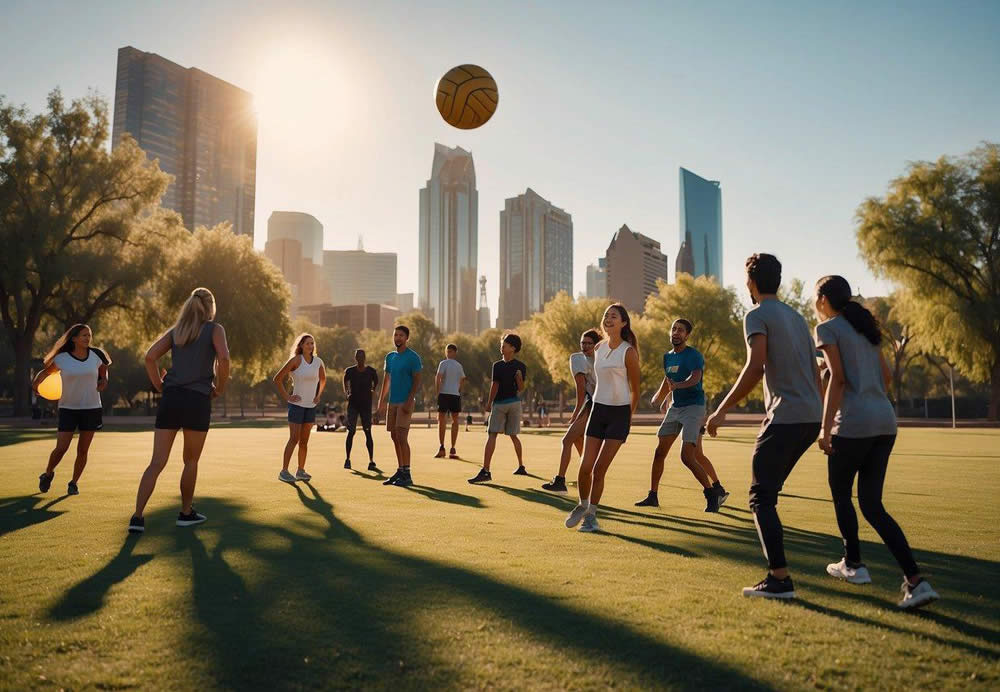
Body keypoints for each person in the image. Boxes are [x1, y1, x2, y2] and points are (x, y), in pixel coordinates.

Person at [814, 275, 939, 609]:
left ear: (824, 299)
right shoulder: (866, 330)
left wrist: (825, 431)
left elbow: (837, 379)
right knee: (871, 504)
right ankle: (916, 581)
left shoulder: (826, 329)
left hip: (853, 424)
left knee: (841, 494)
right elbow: (884, 378)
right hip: (885, 421)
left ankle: (853, 564)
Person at [706, 254, 822, 598]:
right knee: (769, 492)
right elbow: (817, 372)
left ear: (752, 283)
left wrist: (721, 410)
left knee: (760, 497)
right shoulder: (798, 317)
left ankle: (779, 578)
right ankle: (778, 576)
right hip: (810, 417)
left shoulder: (756, 315)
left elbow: (755, 367)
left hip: (785, 416)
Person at [128, 287, 230, 533]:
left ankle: (137, 518)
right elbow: (224, 359)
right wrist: (220, 388)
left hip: (171, 398)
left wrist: (161, 386)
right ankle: (185, 513)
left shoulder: (177, 332)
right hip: (197, 400)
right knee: (191, 460)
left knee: (156, 462)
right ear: (211, 307)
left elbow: (150, 356)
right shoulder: (215, 329)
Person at [635, 319, 729, 512]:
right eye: (674, 329)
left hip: (693, 408)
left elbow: (695, 378)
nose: (676, 333)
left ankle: (711, 494)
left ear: (687, 335)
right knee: (659, 452)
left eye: (681, 330)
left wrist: (678, 386)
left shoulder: (694, 355)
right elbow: (667, 380)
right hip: (675, 408)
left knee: (687, 456)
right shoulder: (668, 357)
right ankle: (653, 496)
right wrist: (660, 396)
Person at [564, 305, 641, 532]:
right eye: (606, 316)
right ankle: (582, 504)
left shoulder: (629, 352)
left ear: (623, 323)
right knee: (585, 465)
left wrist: (629, 416)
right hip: (598, 410)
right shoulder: (598, 347)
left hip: (619, 415)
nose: (608, 319)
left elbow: (635, 388)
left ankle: (592, 516)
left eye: (613, 316)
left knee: (599, 469)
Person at [33, 324, 111, 496]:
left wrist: (104, 380)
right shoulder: (62, 358)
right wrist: (36, 386)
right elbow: (45, 373)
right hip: (68, 408)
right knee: (61, 448)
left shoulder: (96, 355)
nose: (87, 338)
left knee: (83, 450)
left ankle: (74, 483)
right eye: (83, 335)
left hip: (91, 408)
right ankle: (47, 474)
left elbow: (104, 368)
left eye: (89, 335)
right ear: (74, 338)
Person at [543, 329, 599, 493]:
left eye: (589, 343)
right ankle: (588, 474)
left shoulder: (592, 360)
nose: (585, 346)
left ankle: (561, 481)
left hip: (596, 404)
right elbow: (582, 388)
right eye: (583, 342)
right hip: (593, 403)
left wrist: (575, 413)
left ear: (596, 345)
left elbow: (580, 389)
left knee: (566, 440)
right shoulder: (579, 358)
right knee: (576, 440)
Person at [468, 334, 528, 483]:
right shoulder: (497, 365)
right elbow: (496, 385)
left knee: (502, 435)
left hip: (509, 403)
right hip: (506, 403)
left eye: (505, 345)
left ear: (513, 348)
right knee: (502, 435)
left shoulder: (520, 366)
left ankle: (515, 467)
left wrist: (519, 378)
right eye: (502, 344)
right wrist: (489, 403)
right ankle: (492, 470)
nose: (502, 347)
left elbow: (519, 388)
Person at [272, 333, 326, 483]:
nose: (311, 346)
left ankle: (301, 471)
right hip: (296, 406)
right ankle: (284, 471)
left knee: (304, 441)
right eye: (308, 343)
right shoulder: (296, 360)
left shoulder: (318, 362)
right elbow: (277, 379)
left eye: (312, 343)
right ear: (301, 345)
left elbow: (323, 379)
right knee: (294, 439)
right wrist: (287, 397)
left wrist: (318, 395)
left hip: (310, 406)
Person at [376, 325, 422, 487]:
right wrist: (381, 402)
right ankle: (400, 470)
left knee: (402, 437)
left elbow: (417, 380)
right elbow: (386, 380)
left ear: (407, 338)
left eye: (401, 335)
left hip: (405, 401)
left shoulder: (413, 357)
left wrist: (410, 400)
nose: (398, 338)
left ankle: (407, 474)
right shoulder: (390, 357)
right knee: (394, 436)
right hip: (393, 402)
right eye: (395, 335)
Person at [343, 349, 379, 471]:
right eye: (358, 356)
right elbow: (345, 380)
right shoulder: (350, 371)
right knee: (351, 431)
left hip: (366, 406)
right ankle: (347, 459)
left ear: (365, 358)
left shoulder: (371, 371)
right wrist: (347, 392)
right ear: (355, 358)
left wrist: (373, 389)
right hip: (353, 405)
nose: (360, 358)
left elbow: (376, 381)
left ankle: (371, 461)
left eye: (362, 356)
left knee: (368, 432)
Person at [434, 344, 467, 459]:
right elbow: (463, 378)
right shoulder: (459, 366)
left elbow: (438, 377)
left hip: (444, 394)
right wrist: (458, 389)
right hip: (454, 395)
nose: (448, 354)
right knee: (453, 420)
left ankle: (444, 447)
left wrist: (438, 392)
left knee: (442, 419)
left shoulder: (443, 363)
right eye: (447, 352)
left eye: (449, 352)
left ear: (454, 353)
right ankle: (450, 448)